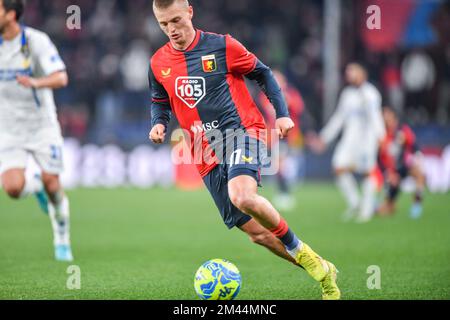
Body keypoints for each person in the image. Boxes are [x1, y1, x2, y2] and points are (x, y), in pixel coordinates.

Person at [148, 0, 340, 299]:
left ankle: (301, 250)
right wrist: (159, 123)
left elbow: (263, 74)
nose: (171, 29)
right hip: (204, 153)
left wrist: (282, 113)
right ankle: (322, 270)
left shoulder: (223, 46)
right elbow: (159, 98)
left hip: (242, 132)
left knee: (242, 196)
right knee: (259, 234)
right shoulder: (158, 62)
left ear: (189, 11)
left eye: (175, 20)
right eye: (163, 24)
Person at [0, 0, 73, 261]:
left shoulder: (35, 41)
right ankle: (35, 187)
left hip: (42, 126)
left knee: (53, 185)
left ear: (11, 14)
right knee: (12, 188)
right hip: (8, 128)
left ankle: (61, 238)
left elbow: (61, 77)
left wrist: (35, 81)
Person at [309, 63, 385, 223]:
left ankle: (367, 209)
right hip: (349, 139)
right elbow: (339, 118)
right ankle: (355, 203)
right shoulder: (347, 94)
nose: (349, 75)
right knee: (338, 167)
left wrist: (381, 135)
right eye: (348, 72)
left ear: (362, 73)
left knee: (367, 173)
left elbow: (375, 116)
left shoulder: (370, 93)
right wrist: (324, 138)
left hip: (367, 140)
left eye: (353, 71)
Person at [258, 69, 305, 210]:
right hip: (274, 136)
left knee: (283, 165)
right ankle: (283, 193)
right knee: (279, 165)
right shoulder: (264, 95)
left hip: (289, 135)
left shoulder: (291, 93)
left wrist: (287, 100)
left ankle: (284, 193)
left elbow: (299, 109)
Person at [377, 106, 425, 219]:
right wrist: (387, 173)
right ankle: (381, 204)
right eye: (384, 118)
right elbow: (377, 159)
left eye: (388, 118)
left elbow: (414, 146)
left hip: (403, 167)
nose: (386, 121)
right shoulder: (381, 136)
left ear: (394, 118)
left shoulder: (402, 131)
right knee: (385, 211)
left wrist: (418, 158)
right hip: (390, 172)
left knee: (419, 174)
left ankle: (416, 206)